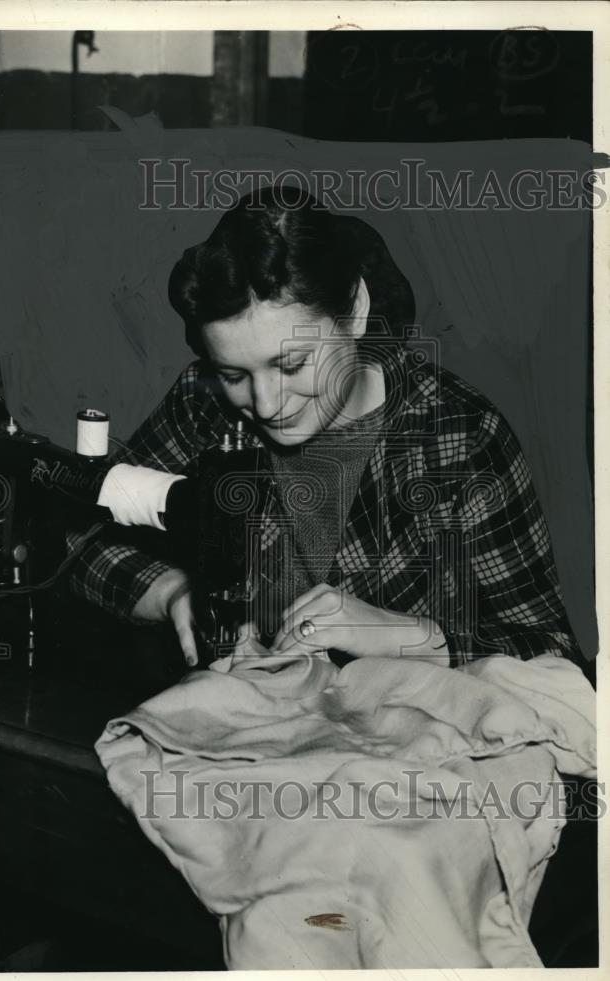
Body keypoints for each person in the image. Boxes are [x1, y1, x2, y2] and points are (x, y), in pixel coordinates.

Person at [69, 185, 580, 671]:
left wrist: (403, 636)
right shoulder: (202, 404)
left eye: (291, 364)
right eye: (234, 375)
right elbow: (79, 534)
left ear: (355, 310)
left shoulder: (458, 436)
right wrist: (168, 591)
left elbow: (550, 648)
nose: (266, 404)